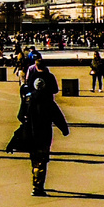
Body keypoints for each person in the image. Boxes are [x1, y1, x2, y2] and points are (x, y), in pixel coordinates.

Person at [21, 60, 69, 195]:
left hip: (31, 132)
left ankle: (35, 181)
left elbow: (20, 115)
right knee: (42, 160)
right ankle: (38, 186)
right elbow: (57, 116)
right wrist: (64, 129)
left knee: (34, 159)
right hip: (44, 133)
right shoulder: (48, 102)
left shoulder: (29, 101)